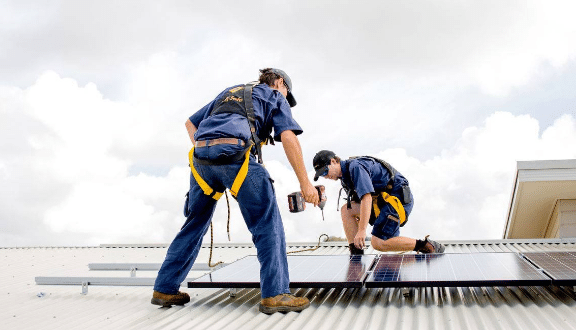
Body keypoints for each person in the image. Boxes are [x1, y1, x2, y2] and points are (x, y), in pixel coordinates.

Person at [152, 68, 319, 315]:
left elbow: (190, 123)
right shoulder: (274, 96)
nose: (286, 97)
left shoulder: (229, 92)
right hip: (236, 157)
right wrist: (306, 183)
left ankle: (164, 288)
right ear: (280, 83)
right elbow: (288, 136)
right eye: (287, 92)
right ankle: (275, 294)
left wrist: (209, 150)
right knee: (266, 223)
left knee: (194, 223)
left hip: (201, 162)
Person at [312, 150, 445, 255]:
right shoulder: (345, 178)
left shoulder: (355, 167)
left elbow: (367, 198)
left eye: (325, 171)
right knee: (346, 209)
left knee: (378, 243)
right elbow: (360, 202)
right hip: (381, 203)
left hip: (397, 200)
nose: (325, 176)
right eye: (321, 175)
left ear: (334, 161)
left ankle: (426, 246)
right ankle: (356, 254)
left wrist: (362, 230)